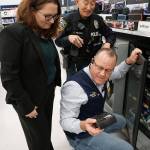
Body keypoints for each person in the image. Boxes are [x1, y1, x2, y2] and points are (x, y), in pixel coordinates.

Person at [0, 0, 61, 150]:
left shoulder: (43, 31)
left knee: (44, 135)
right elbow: (9, 76)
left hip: (47, 92)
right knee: (40, 143)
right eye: (47, 16)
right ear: (32, 11)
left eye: (55, 16)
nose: (52, 21)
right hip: (28, 98)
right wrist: (26, 106)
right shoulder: (14, 33)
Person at [60, 47, 142, 150]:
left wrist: (129, 61)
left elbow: (118, 72)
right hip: (80, 134)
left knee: (121, 121)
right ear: (92, 61)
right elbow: (65, 121)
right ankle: (82, 145)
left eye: (108, 70)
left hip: (96, 118)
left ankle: (100, 138)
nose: (103, 74)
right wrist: (83, 125)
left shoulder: (104, 73)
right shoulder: (74, 87)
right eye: (100, 68)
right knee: (127, 148)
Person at [55, 0, 116, 78]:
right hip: (73, 65)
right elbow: (57, 41)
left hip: (94, 64)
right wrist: (68, 38)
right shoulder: (65, 19)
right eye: (86, 3)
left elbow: (111, 34)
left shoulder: (98, 19)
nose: (89, 8)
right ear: (77, 2)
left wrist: (108, 43)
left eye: (92, 4)